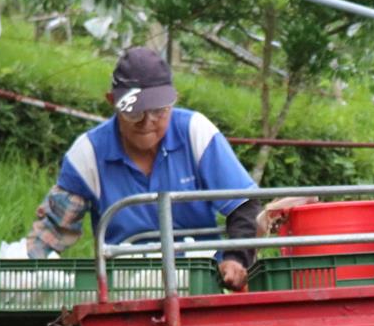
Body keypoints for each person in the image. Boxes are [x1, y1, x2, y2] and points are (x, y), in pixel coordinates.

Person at [26, 47, 262, 292]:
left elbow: (245, 205)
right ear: (113, 102)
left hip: (200, 281)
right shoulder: (88, 154)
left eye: (159, 111)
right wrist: (25, 272)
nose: (148, 122)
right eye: (135, 112)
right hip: (125, 289)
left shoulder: (195, 133)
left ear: (173, 101)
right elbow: (54, 229)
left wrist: (236, 259)